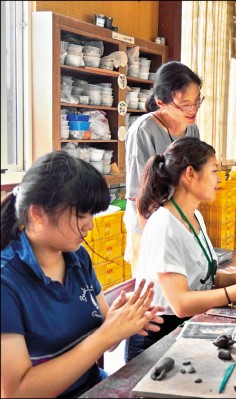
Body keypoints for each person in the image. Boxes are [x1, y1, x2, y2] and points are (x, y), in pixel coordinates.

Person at [1, 151, 163, 398]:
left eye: (92, 214)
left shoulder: (76, 257)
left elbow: (106, 343)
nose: (90, 225)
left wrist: (122, 324)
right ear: (37, 213)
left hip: (94, 388)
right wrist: (107, 333)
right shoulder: (7, 281)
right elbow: (17, 392)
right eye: (81, 215)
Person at [126, 137, 236, 362]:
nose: (219, 178)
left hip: (188, 325)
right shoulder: (164, 225)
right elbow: (181, 303)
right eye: (214, 170)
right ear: (190, 174)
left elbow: (200, 277)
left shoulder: (194, 215)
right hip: (156, 338)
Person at [124, 61, 203, 278]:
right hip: (148, 224)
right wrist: (154, 240)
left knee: (183, 283)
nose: (193, 110)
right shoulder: (142, 131)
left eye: (197, 102)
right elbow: (138, 196)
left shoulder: (192, 128)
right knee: (151, 288)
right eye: (185, 104)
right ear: (161, 102)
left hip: (179, 220)